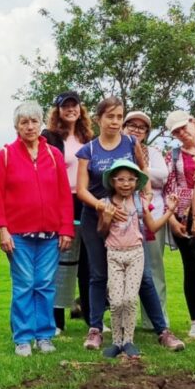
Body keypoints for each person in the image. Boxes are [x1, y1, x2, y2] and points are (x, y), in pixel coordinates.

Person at [0, 104, 70, 356]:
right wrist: (1, 229)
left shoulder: (54, 154)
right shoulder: (5, 155)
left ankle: (44, 335)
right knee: (24, 284)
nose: (30, 126)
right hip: (18, 235)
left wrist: (66, 228)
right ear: (16, 127)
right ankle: (23, 337)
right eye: (24, 122)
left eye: (34, 121)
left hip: (50, 235)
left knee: (45, 284)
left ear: (40, 124)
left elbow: (64, 194)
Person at [70, 92, 138, 352]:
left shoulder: (131, 143)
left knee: (137, 275)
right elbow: (82, 189)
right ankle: (95, 328)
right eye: (110, 116)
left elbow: (139, 177)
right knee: (98, 274)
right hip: (94, 216)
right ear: (99, 119)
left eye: (120, 117)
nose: (115, 121)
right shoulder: (88, 149)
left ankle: (141, 329)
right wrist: (102, 206)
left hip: (125, 217)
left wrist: (135, 206)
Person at [123, 109, 187, 350]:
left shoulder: (155, 153)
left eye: (142, 127)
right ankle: (125, 319)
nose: (137, 130)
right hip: (124, 217)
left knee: (154, 268)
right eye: (132, 125)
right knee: (125, 269)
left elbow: (164, 176)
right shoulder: (118, 149)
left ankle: (156, 319)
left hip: (154, 215)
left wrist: (132, 172)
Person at [160, 113, 195, 340]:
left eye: (184, 127)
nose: (182, 133)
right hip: (185, 217)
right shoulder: (172, 156)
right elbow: (166, 188)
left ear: (194, 123)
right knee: (191, 270)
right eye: (176, 132)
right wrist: (172, 219)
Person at [97, 160, 156, 363]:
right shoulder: (105, 203)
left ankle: (128, 340)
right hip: (113, 254)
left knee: (130, 299)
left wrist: (170, 210)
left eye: (131, 180)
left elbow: (151, 226)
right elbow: (101, 232)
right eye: (121, 179)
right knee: (116, 300)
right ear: (113, 182)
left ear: (136, 182)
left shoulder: (139, 202)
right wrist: (107, 217)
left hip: (135, 254)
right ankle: (116, 341)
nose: (126, 184)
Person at [43, 91, 87, 334]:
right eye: (65, 106)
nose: (71, 109)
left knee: (88, 263)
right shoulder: (49, 137)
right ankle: (56, 320)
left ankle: (91, 318)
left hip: (86, 201)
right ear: (58, 110)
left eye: (74, 105)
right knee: (61, 261)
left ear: (80, 108)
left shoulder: (88, 137)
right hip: (62, 201)